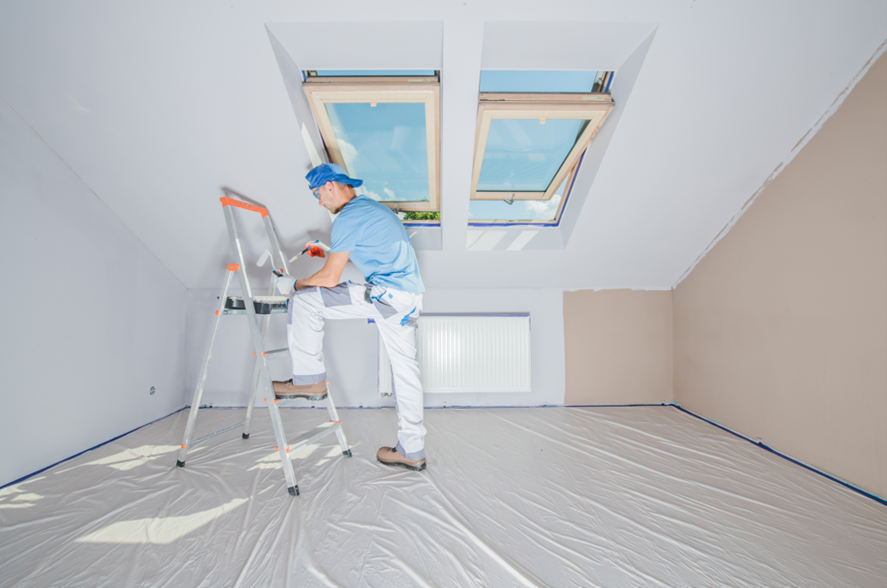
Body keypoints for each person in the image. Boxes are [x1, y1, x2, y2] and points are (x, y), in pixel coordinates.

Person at [272, 163, 427, 471]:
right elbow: (372, 248)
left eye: (318, 194)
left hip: (386, 296)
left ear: (330, 186)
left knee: (304, 301)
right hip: (409, 298)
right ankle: (413, 449)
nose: (319, 202)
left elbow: (330, 280)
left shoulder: (347, 218)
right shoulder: (370, 209)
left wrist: (293, 284)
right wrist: (329, 251)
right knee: (406, 373)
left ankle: (309, 381)